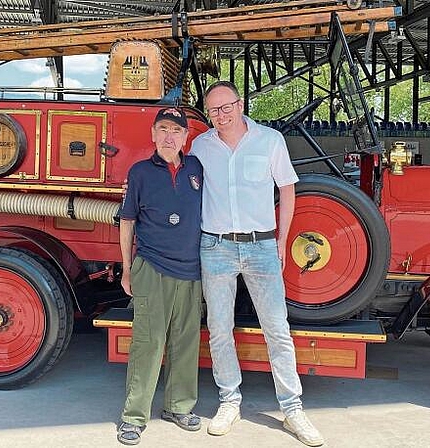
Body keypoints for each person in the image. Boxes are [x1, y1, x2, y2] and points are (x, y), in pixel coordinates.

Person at [190, 81, 324, 447]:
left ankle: (292, 408)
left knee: (276, 328)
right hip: (215, 247)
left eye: (227, 106)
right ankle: (229, 401)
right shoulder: (201, 146)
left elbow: (288, 189)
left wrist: (282, 240)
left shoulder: (269, 140)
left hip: (261, 246)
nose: (221, 114)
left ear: (241, 103)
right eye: (214, 110)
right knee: (219, 328)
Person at [117, 107, 203, 445]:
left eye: (176, 131)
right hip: (151, 267)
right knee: (147, 344)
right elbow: (127, 222)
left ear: (186, 138)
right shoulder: (139, 172)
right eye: (163, 129)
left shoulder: (197, 169)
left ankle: (178, 407)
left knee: (186, 342)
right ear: (153, 134)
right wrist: (127, 268)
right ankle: (134, 417)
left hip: (192, 270)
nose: (169, 137)